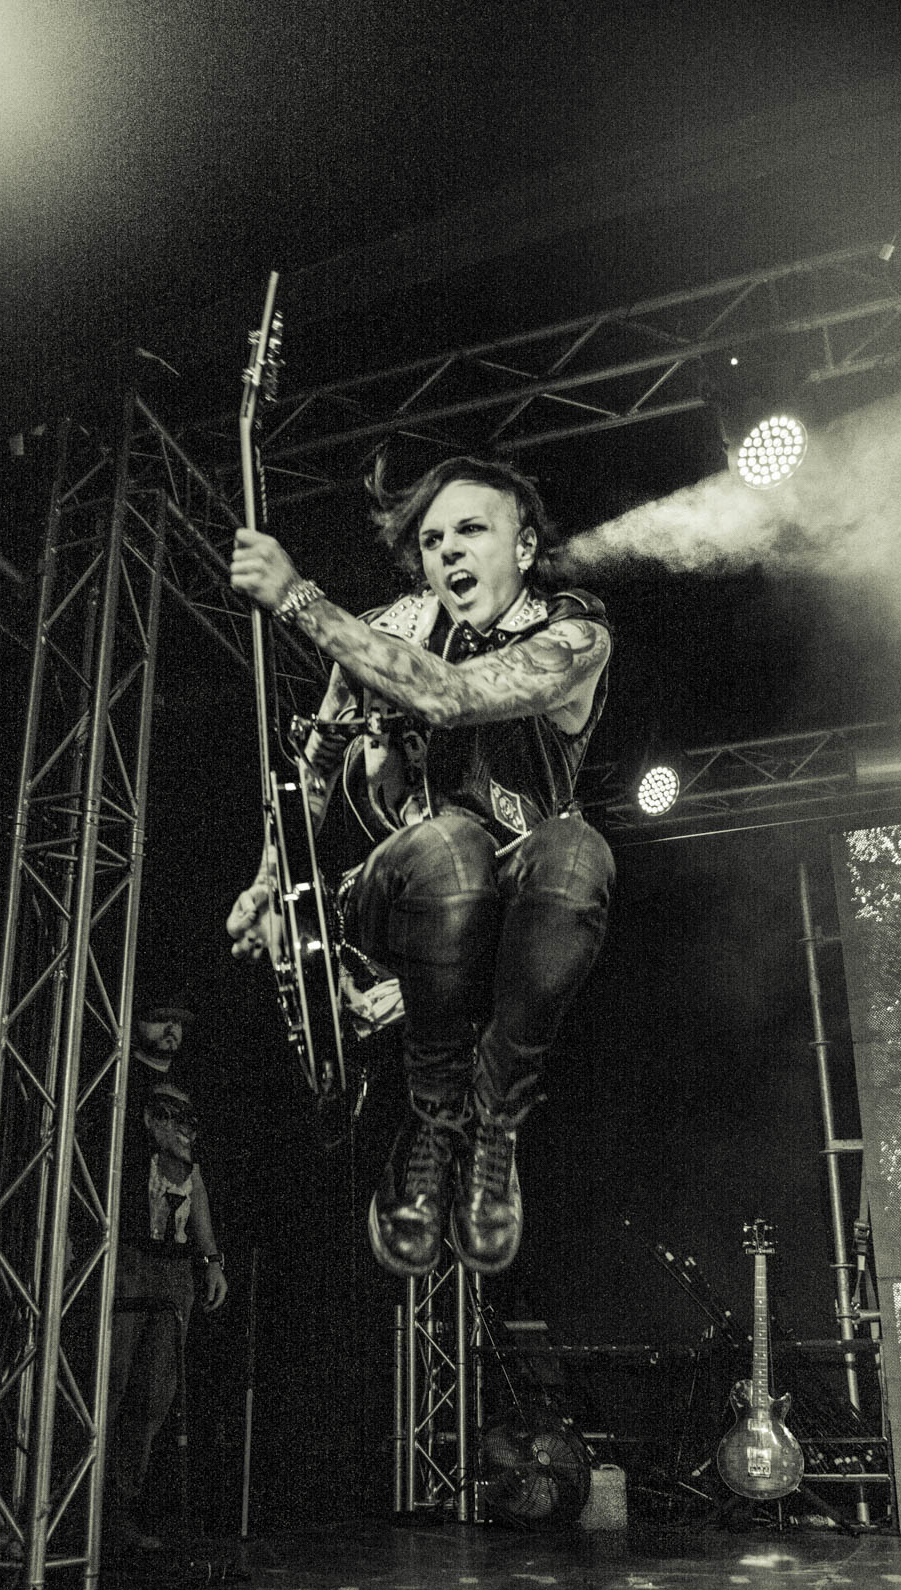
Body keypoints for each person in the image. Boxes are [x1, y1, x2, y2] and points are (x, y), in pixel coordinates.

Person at [226, 455, 614, 1280]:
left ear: (525, 546)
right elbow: (314, 773)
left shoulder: (575, 637)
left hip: (508, 926)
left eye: (471, 530)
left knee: (577, 850)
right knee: (449, 845)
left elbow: (453, 696)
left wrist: (299, 599)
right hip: (403, 900)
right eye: (433, 540)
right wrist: (268, 885)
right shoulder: (388, 632)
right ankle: (434, 1121)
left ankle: (493, 1124)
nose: (449, 552)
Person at [105, 1002, 228, 1555]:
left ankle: (120, 1511)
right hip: (127, 1254)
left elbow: (195, 1181)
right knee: (109, 1383)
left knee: (155, 1396)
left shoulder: (187, 1090)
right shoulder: (115, 1077)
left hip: (173, 1264)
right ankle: (82, 1507)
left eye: (180, 1022)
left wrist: (211, 1258)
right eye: (161, 1018)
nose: (172, 1030)